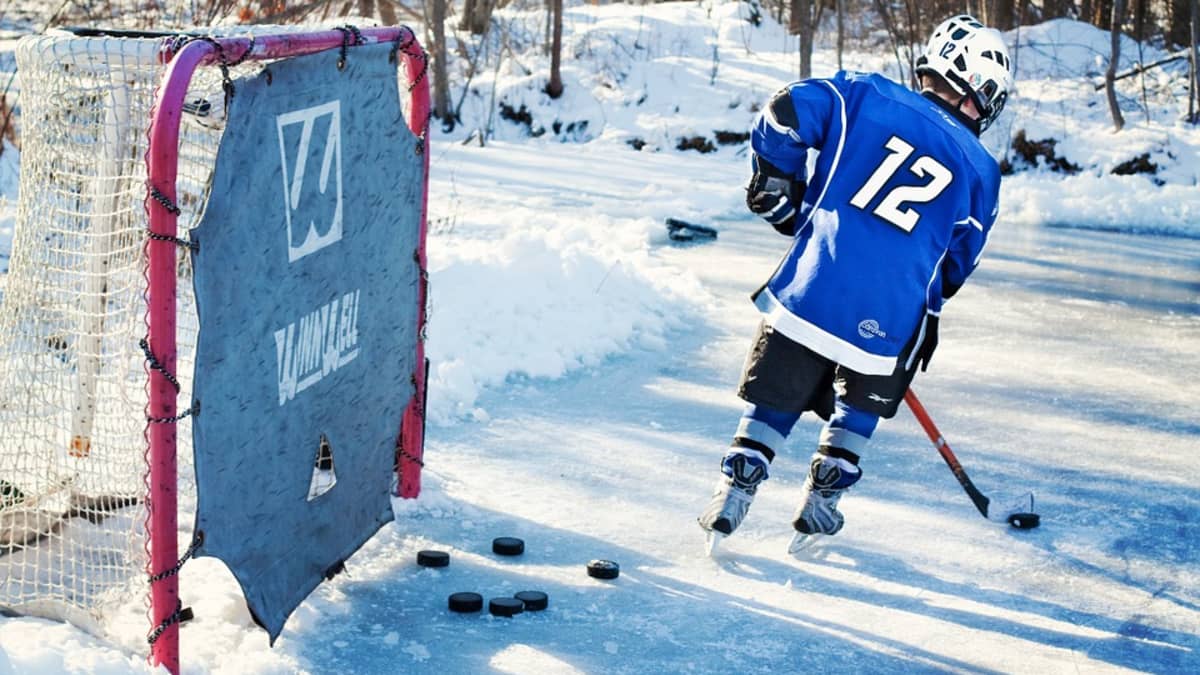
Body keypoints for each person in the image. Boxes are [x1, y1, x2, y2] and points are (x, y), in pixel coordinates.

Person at [698, 15, 1014, 553]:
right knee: (885, 364)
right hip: (886, 319)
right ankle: (822, 499)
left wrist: (776, 181)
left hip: (809, 291)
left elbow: (785, 111)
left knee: (781, 376)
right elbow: (956, 265)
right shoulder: (980, 170)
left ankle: (735, 487)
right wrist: (923, 305)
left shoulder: (861, 94)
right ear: (982, 89)